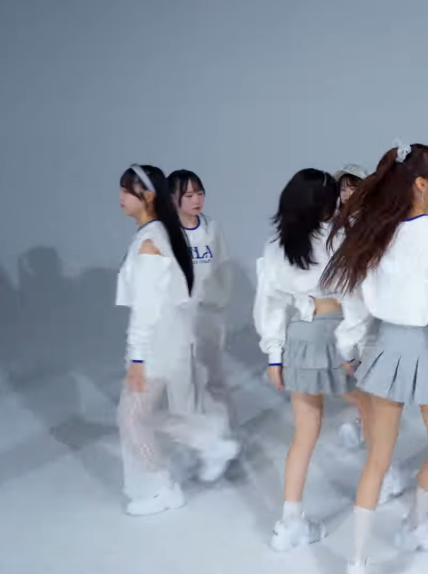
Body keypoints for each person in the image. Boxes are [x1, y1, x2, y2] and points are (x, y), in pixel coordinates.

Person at [321, 142, 428, 574]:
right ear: (422, 184)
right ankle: (417, 526)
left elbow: (356, 300)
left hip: (384, 350)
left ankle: (357, 560)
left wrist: (349, 347)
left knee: (377, 459)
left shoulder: (376, 230)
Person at [253, 168, 404, 552]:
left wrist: (274, 355)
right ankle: (384, 477)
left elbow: (269, 305)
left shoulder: (276, 245)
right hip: (335, 334)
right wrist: (351, 347)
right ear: (325, 204)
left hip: (299, 338)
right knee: (370, 410)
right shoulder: (338, 240)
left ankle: (289, 523)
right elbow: (354, 301)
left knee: (304, 432)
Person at [114, 164, 239, 516]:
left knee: (132, 417)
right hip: (168, 337)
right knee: (139, 415)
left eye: (126, 190)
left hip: (157, 342)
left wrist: (137, 358)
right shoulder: (161, 234)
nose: (120, 197)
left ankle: (164, 486)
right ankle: (207, 441)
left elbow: (146, 309)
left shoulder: (152, 242)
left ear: (147, 196)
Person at [168, 169, 237, 478]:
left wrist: (218, 301)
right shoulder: (164, 234)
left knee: (213, 377)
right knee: (181, 384)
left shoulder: (211, 228)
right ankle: (199, 444)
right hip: (177, 318)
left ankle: (225, 440)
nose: (196, 199)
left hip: (207, 315)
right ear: (173, 198)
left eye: (199, 193)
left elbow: (224, 268)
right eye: (188, 194)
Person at [330, 163, 372, 450]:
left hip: (367, 300)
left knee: (365, 364)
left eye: (352, 187)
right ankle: (360, 420)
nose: (347, 193)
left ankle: (365, 425)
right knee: (348, 368)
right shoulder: (334, 223)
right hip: (341, 301)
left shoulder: (374, 221)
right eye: (343, 188)